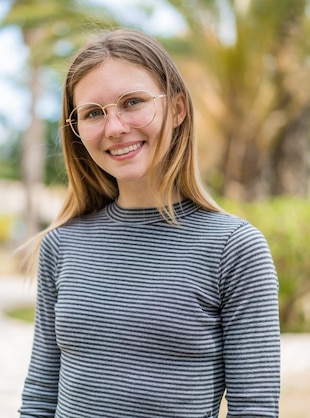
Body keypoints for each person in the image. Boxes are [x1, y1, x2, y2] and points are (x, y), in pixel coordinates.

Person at [18, 28, 281, 418]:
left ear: (177, 109)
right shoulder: (63, 244)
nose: (115, 127)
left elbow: (254, 409)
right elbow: (40, 397)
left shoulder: (234, 249)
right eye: (93, 113)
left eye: (132, 102)